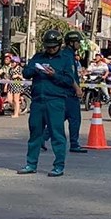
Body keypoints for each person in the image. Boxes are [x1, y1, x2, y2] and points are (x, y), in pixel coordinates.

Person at [17, 29, 76, 177]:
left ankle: (58, 166)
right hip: (38, 100)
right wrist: (37, 70)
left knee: (57, 134)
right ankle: (31, 164)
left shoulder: (65, 59)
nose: (50, 50)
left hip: (55, 100)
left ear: (59, 45)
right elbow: (26, 72)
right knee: (35, 133)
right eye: (47, 47)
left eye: (53, 47)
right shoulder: (38, 56)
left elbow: (69, 81)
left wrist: (54, 74)